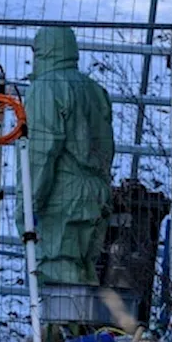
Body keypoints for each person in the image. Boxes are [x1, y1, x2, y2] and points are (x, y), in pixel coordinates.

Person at [20, 27, 115, 287]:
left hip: (62, 199)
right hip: (96, 194)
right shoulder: (94, 89)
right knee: (85, 273)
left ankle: (61, 328)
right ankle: (84, 328)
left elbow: (41, 153)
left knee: (58, 275)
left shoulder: (46, 89)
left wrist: (27, 204)